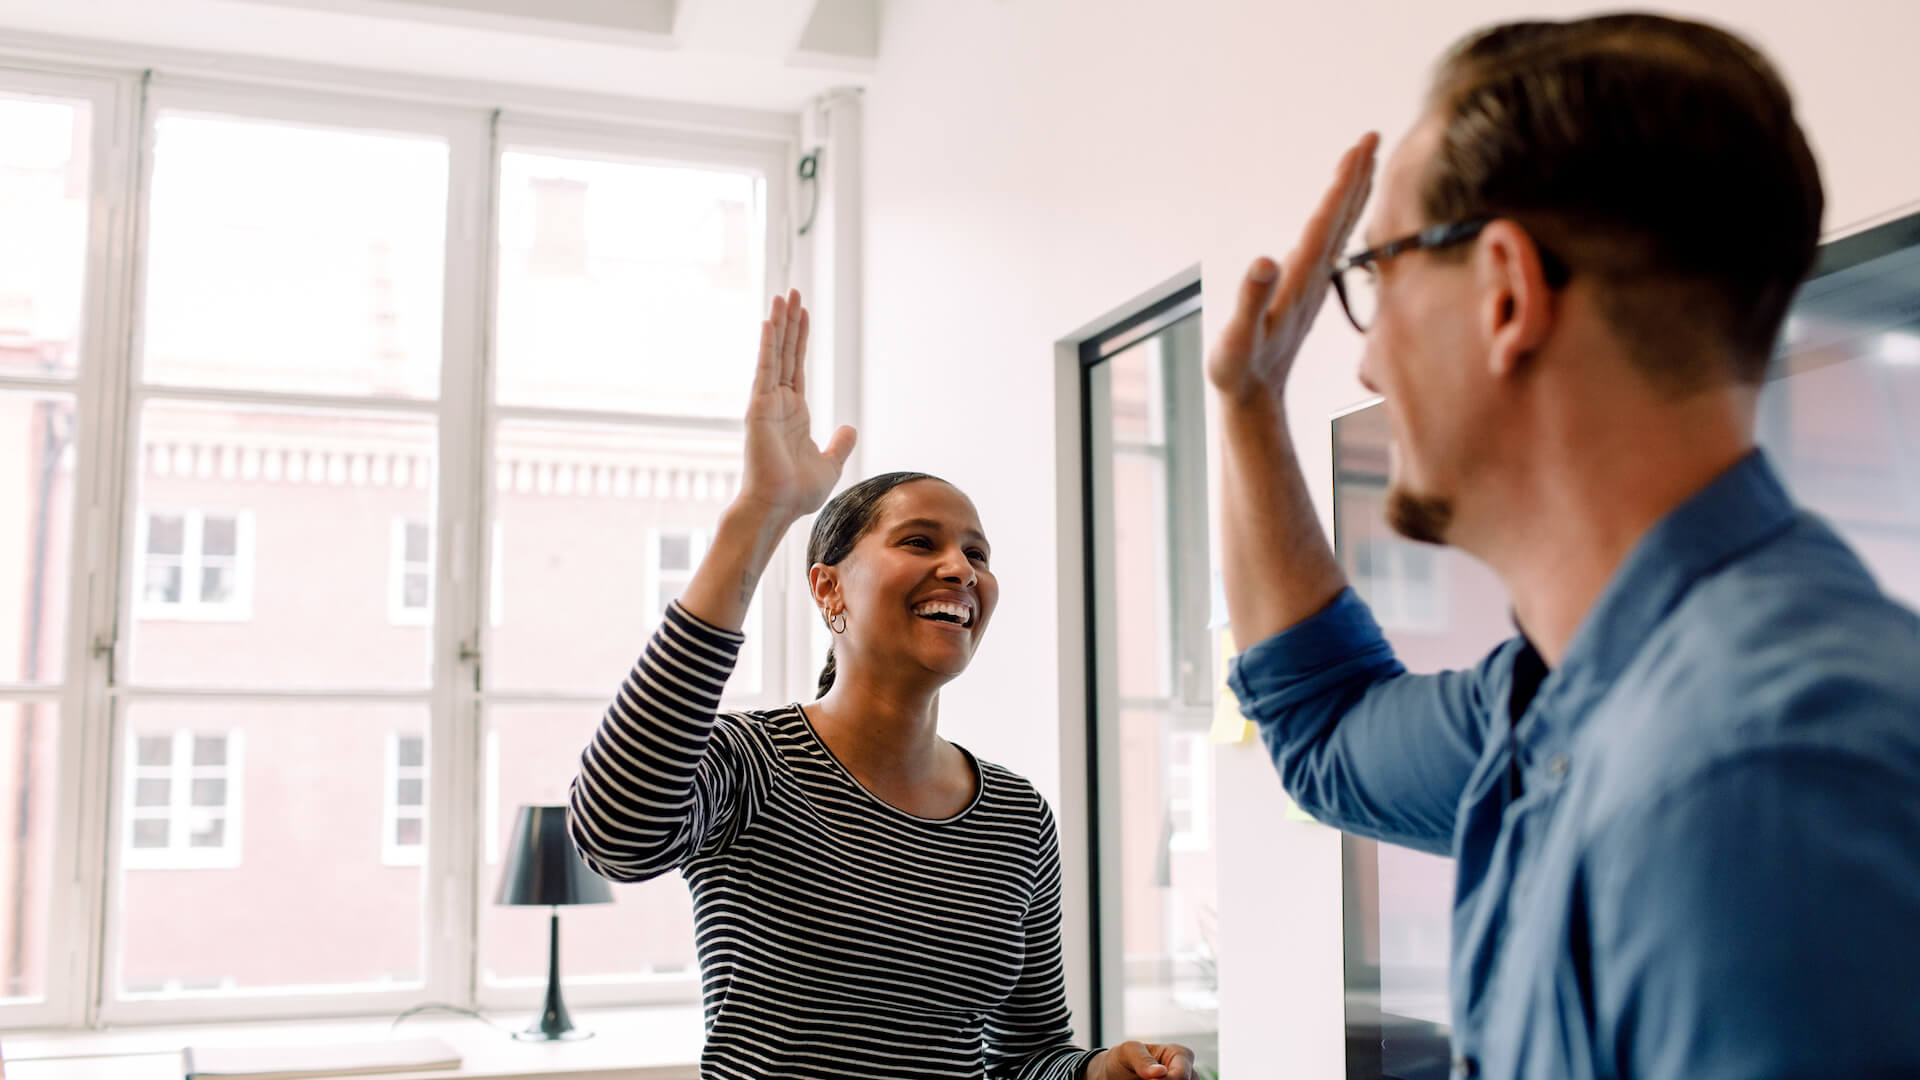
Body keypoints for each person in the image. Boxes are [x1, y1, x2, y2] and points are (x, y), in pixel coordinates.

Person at [1209, 13, 1920, 1080]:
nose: (1365, 367)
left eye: (1382, 275)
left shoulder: (1758, 779)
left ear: (1505, 293)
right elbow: (1324, 731)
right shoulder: (1559, 698)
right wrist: (1248, 406)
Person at [568, 289, 1194, 1080]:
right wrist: (760, 512)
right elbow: (613, 837)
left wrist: (1099, 1071)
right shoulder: (750, 764)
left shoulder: (1015, 817)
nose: (961, 569)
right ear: (828, 590)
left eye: (978, 552)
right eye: (920, 541)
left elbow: (1028, 1053)